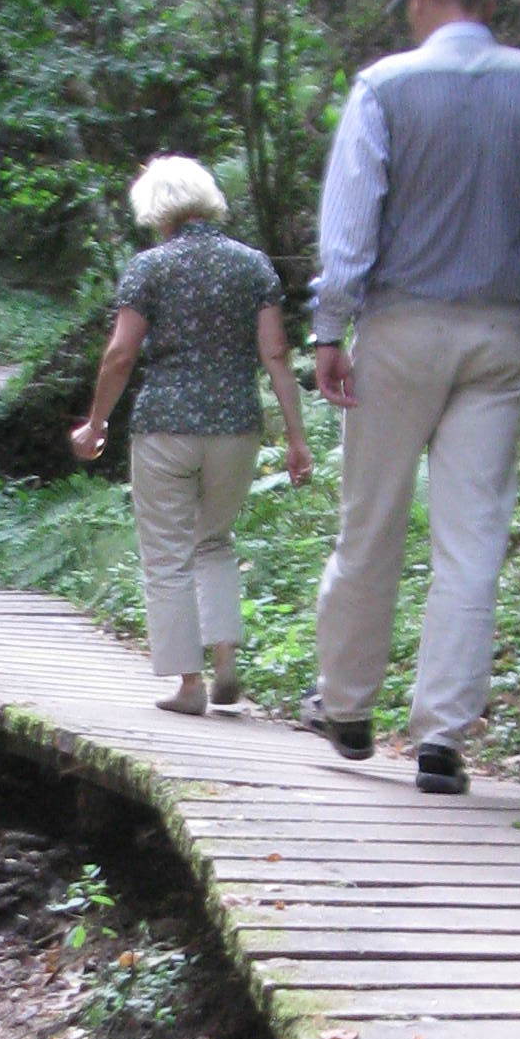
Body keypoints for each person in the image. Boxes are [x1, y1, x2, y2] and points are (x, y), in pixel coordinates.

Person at [305, 0, 520, 795]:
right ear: (487, 3)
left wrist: (328, 328)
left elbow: (351, 224)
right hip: (500, 335)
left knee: (371, 522)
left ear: (417, 0)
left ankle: (347, 707)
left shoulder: (384, 87)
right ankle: (441, 738)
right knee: (471, 539)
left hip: (400, 327)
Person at [70, 156, 313, 715]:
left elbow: (121, 353)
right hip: (235, 426)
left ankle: (189, 685)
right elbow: (276, 353)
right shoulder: (252, 265)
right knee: (214, 541)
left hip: (165, 426)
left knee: (167, 555)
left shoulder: (149, 268)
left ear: (156, 208)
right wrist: (296, 437)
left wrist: (97, 421)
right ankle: (225, 661)